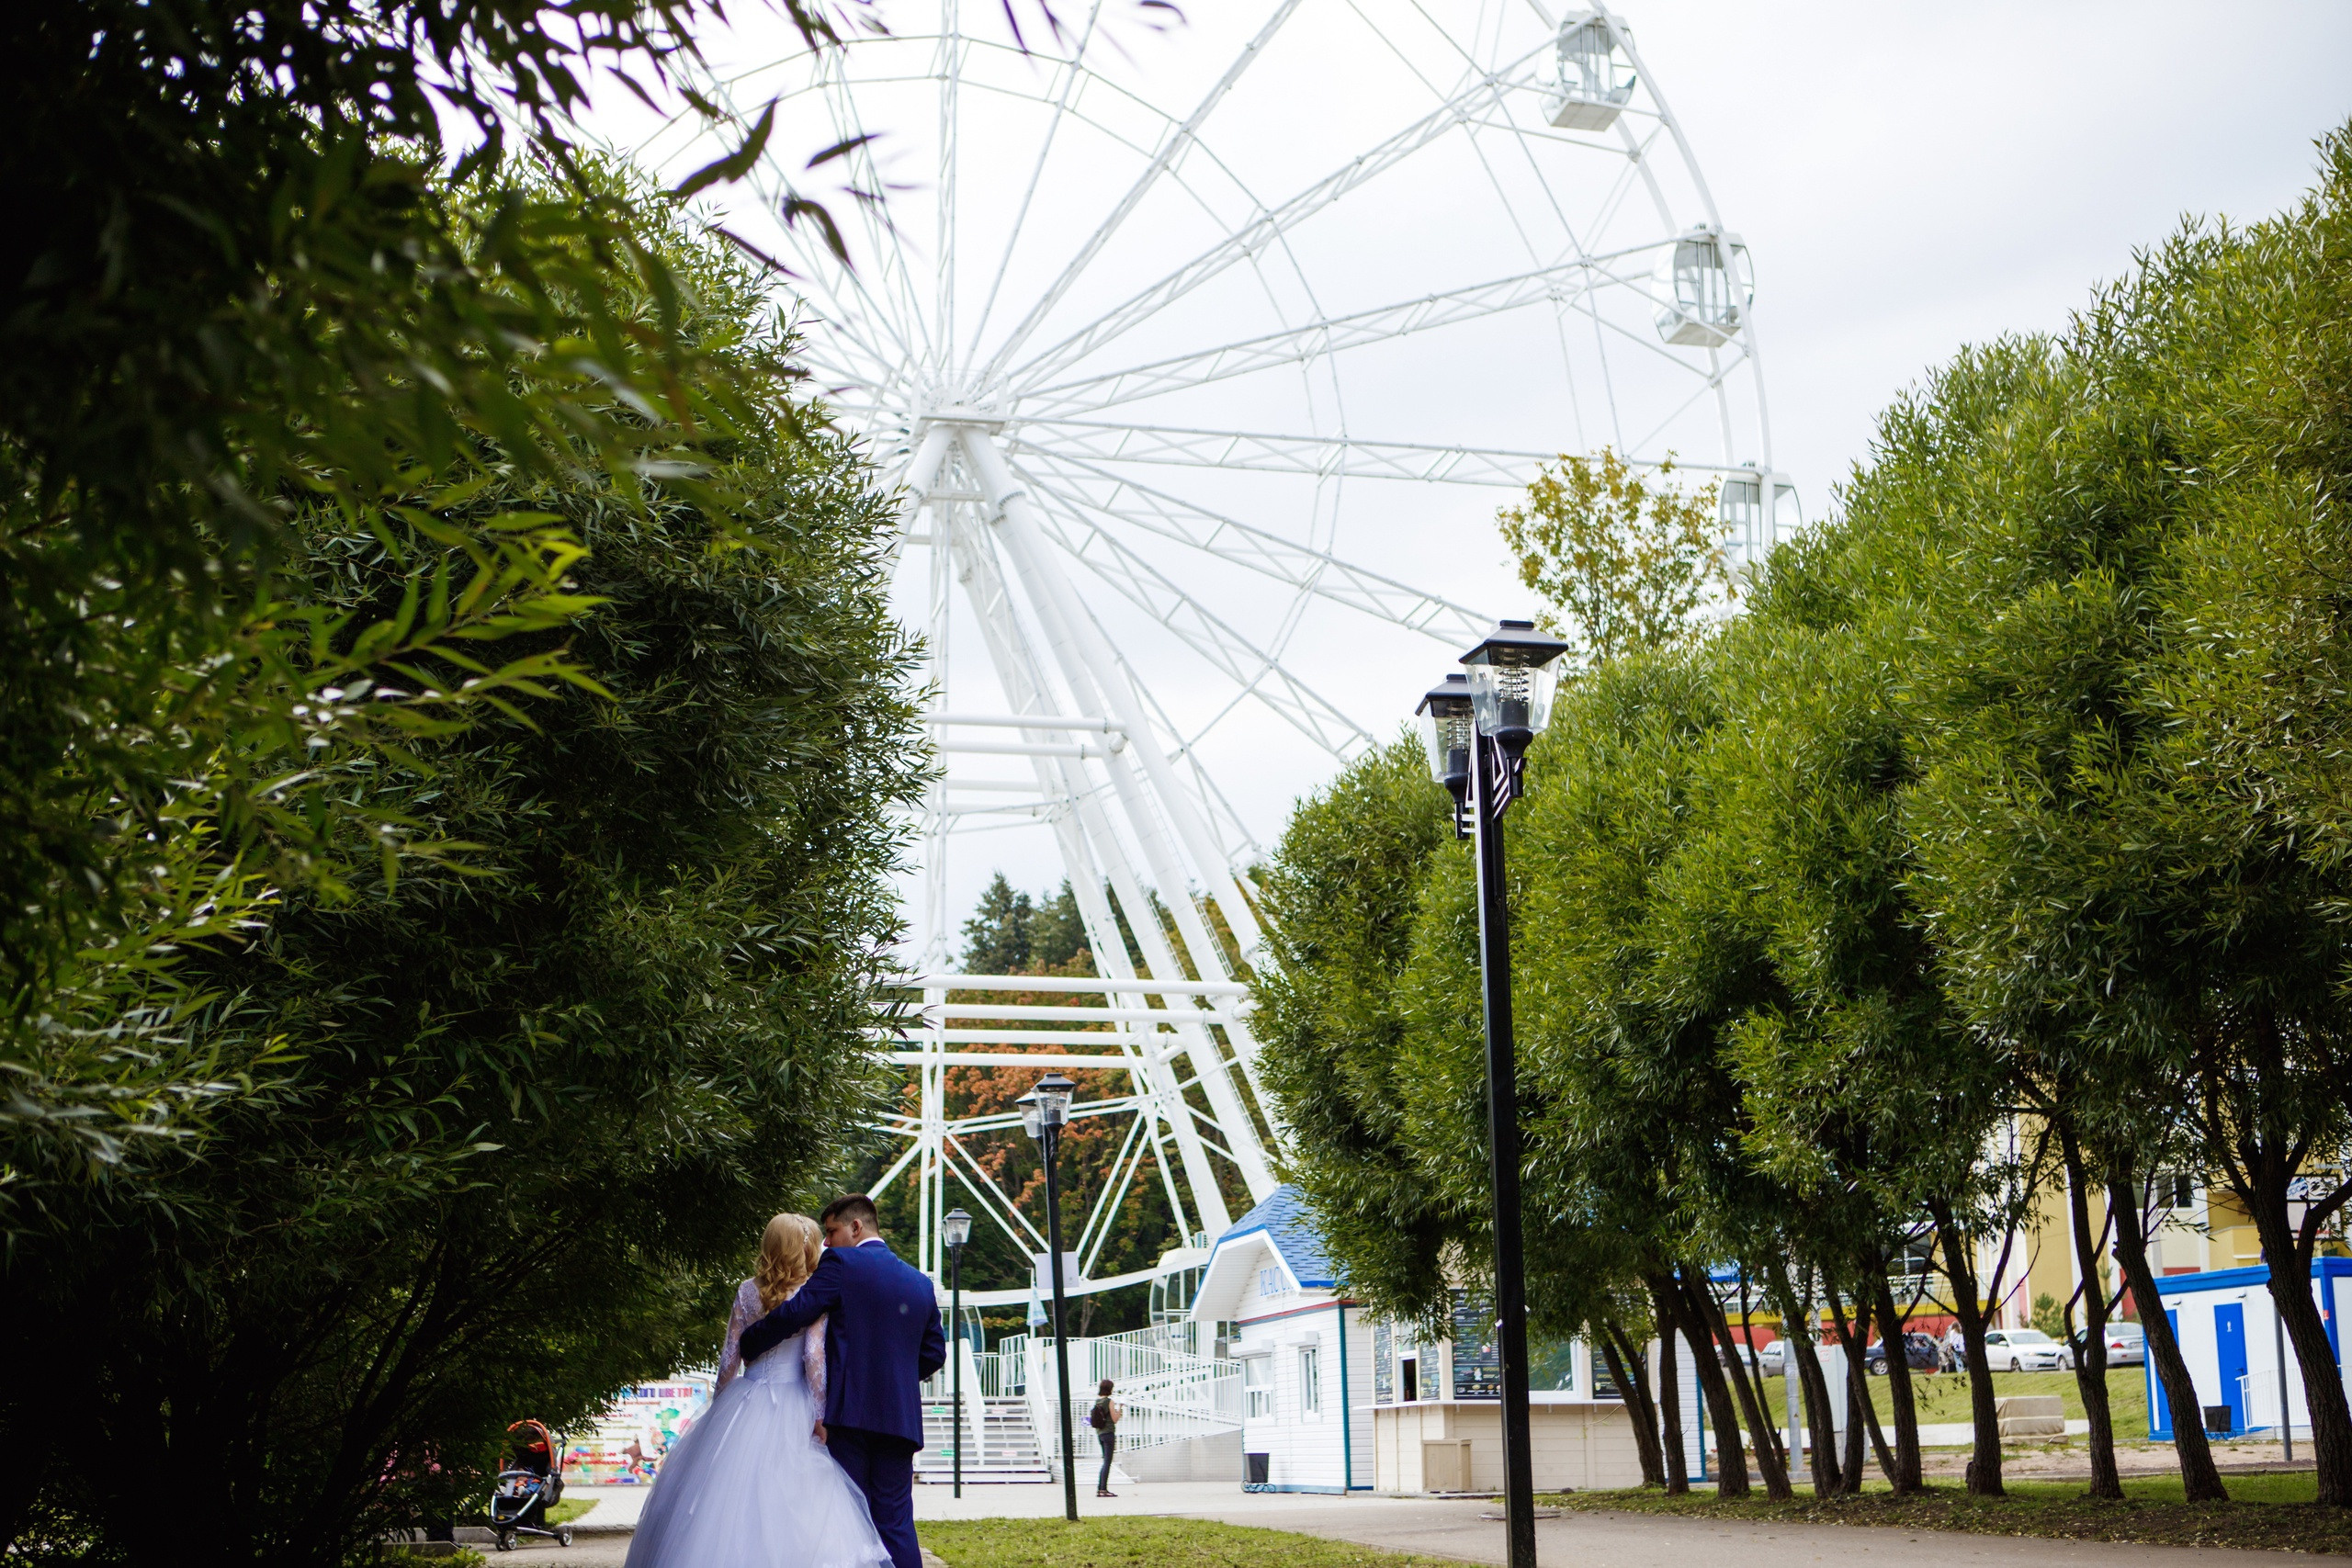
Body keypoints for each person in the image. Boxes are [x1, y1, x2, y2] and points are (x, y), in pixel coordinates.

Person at [622, 1213, 892, 1568]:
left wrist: (720, 1408)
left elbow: (729, 1356)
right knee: (794, 1493)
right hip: (793, 1400)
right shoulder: (812, 1294)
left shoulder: (747, 1290)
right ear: (805, 1249)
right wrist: (820, 1414)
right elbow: (813, 1358)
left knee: (727, 1499)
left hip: (746, 1397)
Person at [740, 1194, 946, 1568]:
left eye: (832, 1231)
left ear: (855, 1227)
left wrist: (750, 1341)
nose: (827, 1243)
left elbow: (798, 1312)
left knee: (852, 1517)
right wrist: (894, 1378)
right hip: (900, 1419)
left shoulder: (841, 1263)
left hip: (849, 1415)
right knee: (896, 1521)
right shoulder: (920, 1283)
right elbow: (934, 1354)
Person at [1088, 1379, 1123, 1498]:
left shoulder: (1097, 1401)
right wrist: (1120, 1409)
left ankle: (1100, 1488)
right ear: (1110, 1389)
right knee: (1107, 1462)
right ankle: (1103, 1489)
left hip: (1100, 1434)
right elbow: (1115, 1419)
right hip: (1108, 1433)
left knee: (1105, 1461)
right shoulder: (1109, 1401)